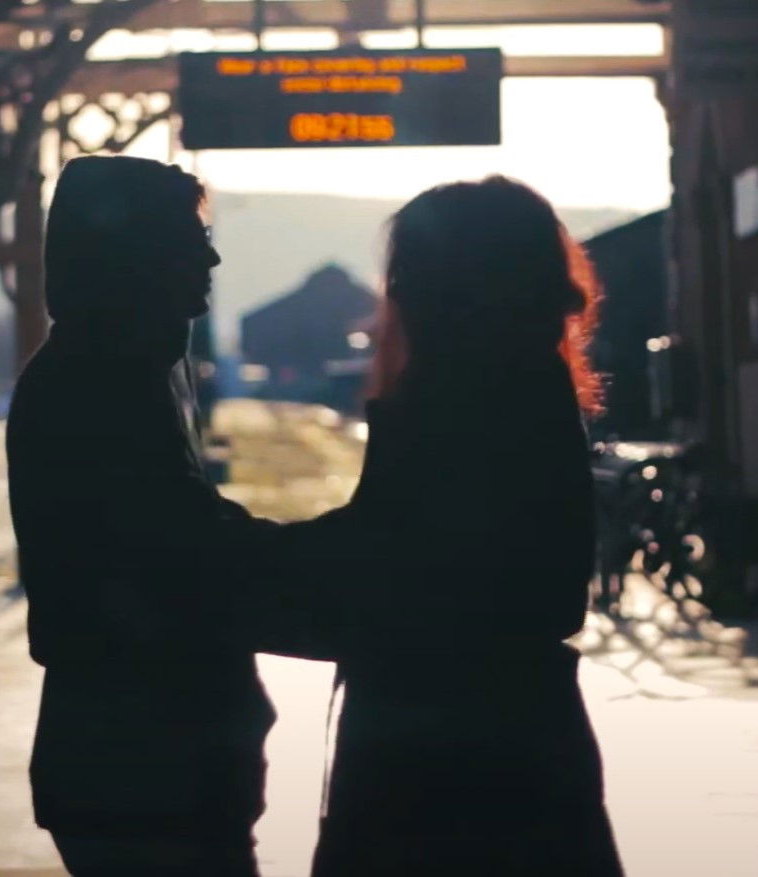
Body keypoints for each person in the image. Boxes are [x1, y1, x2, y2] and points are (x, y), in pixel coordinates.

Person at [249, 176, 624, 875]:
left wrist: (244, 557)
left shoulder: (454, 396)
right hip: (520, 738)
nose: (395, 296)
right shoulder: (527, 383)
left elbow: (394, 555)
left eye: (408, 274)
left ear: (446, 286)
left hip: (433, 751)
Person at [6, 155, 275, 876]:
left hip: (133, 766)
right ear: (136, 256)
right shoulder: (103, 385)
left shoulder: (117, 370)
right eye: (191, 239)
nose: (210, 258)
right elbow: (185, 550)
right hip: (147, 771)